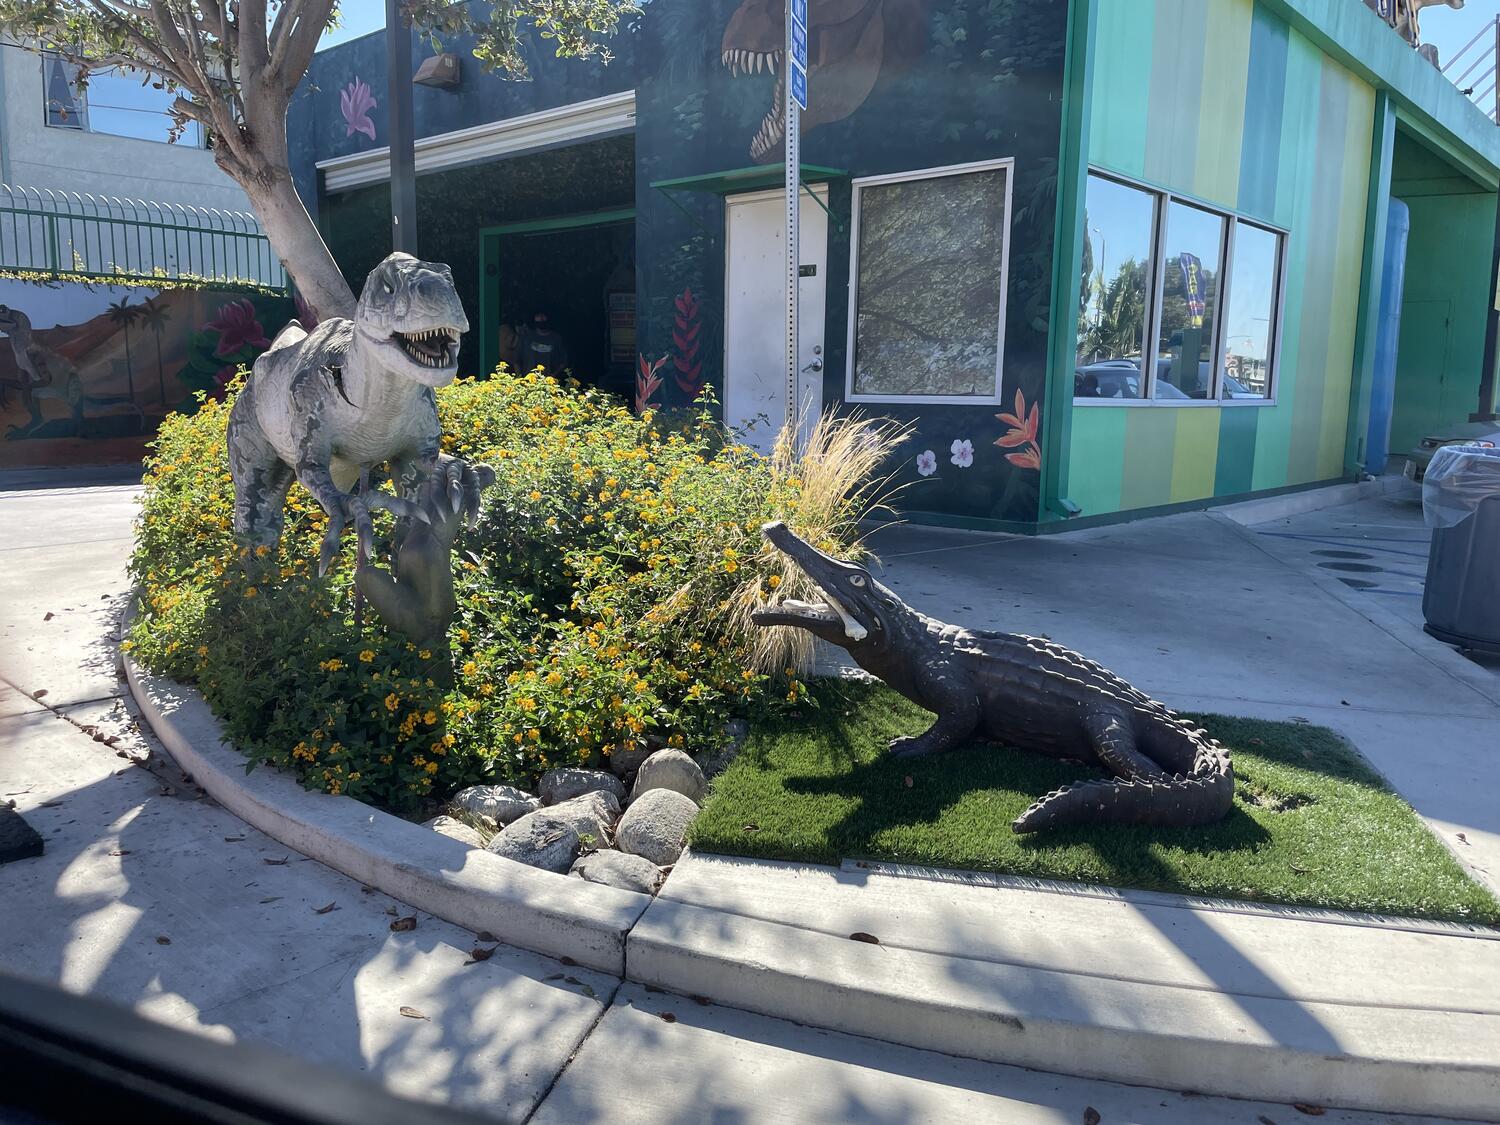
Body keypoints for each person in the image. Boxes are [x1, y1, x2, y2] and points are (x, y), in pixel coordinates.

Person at [515, 310, 570, 377]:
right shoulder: (526, 338)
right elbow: (516, 360)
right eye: (538, 316)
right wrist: (519, 378)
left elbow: (563, 362)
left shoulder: (556, 339)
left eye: (543, 316)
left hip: (549, 384)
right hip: (528, 382)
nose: (541, 318)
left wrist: (552, 376)